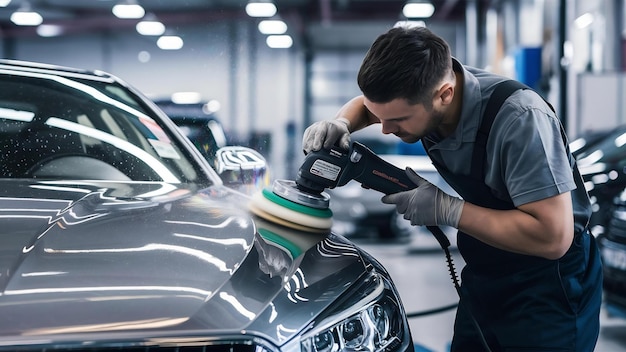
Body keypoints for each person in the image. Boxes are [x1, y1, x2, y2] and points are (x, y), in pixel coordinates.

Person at [301, 26, 602, 352]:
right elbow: (367, 105)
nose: (386, 129)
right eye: (380, 117)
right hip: (486, 269)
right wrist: (342, 123)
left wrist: (448, 209)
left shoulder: (520, 120)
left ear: (444, 94)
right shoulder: (422, 92)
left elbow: (553, 237)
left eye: (399, 120)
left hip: (549, 286)